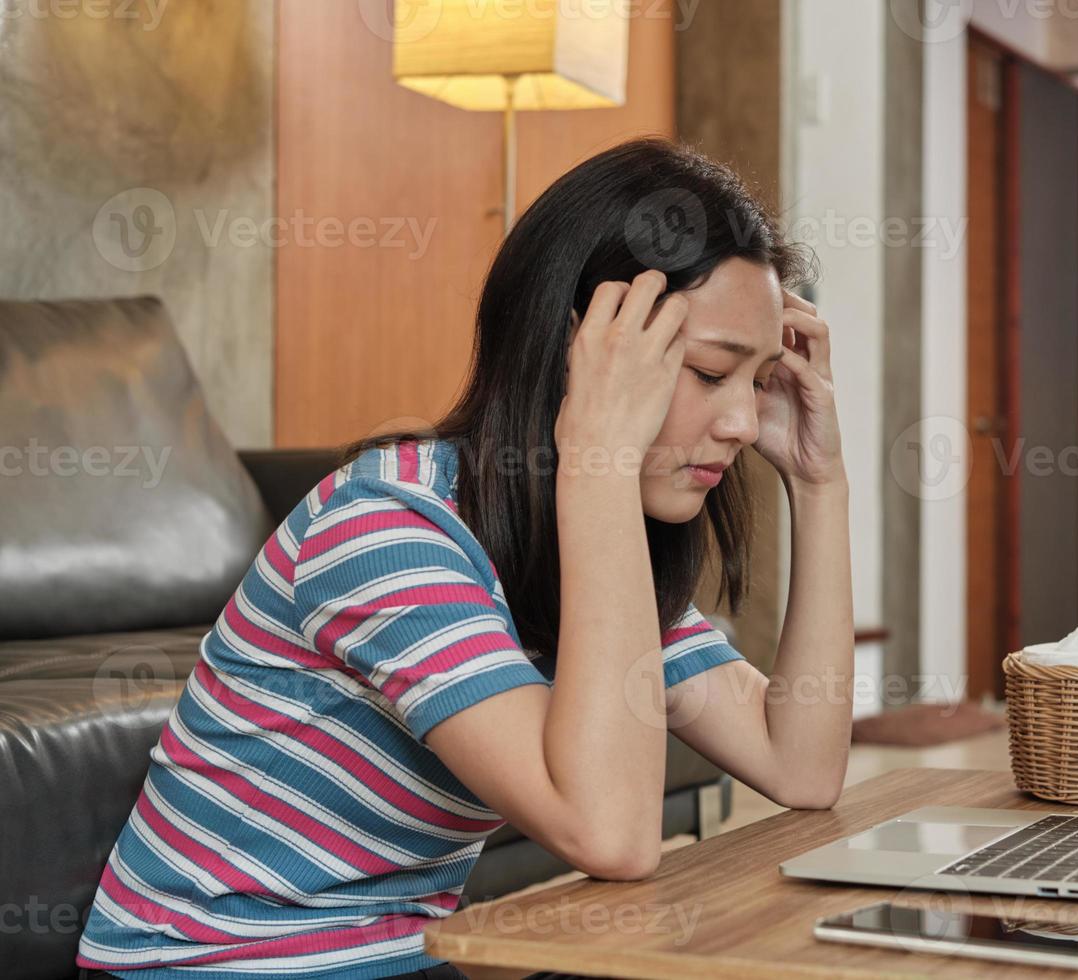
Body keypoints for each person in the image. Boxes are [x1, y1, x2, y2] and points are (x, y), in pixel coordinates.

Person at [77, 137, 854, 980]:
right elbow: (613, 835)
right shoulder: (384, 528)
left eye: (759, 380)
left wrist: (820, 483)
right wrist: (594, 457)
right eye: (709, 373)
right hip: (205, 967)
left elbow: (799, 764)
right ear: (579, 354)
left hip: (400, 961)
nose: (742, 422)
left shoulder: (579, 540)